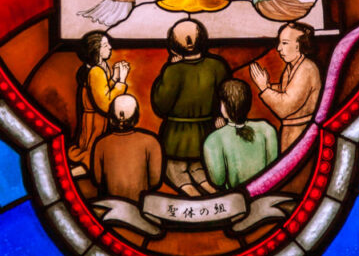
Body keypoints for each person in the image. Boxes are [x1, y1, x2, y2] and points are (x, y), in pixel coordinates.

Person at [150, 19, 230, 196]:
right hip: (208, 136)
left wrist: (169, 68)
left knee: (178, 175)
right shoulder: (218, 66)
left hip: (175, 141)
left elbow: (160, 106)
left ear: (173, 44)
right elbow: (225, 98)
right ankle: (215, 198)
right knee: (202, 174)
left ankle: (193, 196)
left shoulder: (173, 71)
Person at [250, 22, 321, 151]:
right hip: (293, 132)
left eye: (285, 43)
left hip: (302, 133)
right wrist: (268, 86)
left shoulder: (306, 68)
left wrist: (264, 89)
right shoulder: (292, 67)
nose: (278, 48)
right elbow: (286, 91)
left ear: (298, 46)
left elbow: (285, 107)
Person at [68, 30, 130, 173]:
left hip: (94, 119)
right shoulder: (96, 71)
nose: (110, 47)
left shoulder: (100, 67)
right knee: (91, 155)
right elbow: (106, 104)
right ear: (95, 50)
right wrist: (121, 81)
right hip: (96, 122)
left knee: (91, 151)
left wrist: (114, 78)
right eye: (105, 45)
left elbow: (102, 91)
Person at [203, 79, 278, 190]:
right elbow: (274, 170)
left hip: (237, 199)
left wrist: (222, 132)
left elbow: (218, 180)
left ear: (224, 105)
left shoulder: (214, 140)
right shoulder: (267, 129)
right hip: (266, 194)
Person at [91, 94, 163, 203]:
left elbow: (97, 180)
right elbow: (155, 181)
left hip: (110, 208)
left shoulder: (101, 144)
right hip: (140, 208)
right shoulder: (151, 142)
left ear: (111, 117)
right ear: (136, 116)